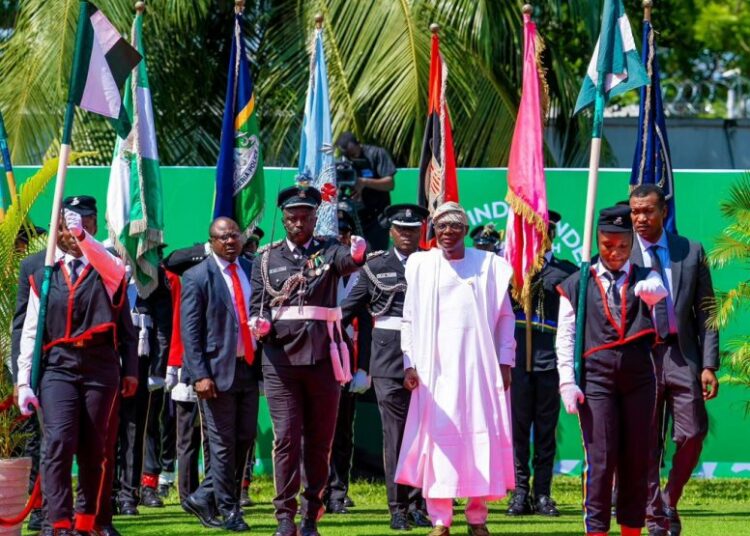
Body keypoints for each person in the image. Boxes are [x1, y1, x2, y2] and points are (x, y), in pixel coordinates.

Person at [249, 183, 366, 536]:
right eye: (292, 217)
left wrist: (358, 251)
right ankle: (284, 517)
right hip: (280, 358)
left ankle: (310, 515)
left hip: (322, 357)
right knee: (285, 438)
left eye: (305, 216)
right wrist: (258, 324)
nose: (298, 223)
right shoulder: (266, 258)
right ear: (283, 219)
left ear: (316, 218)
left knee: (319, 440)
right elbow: (257, 303)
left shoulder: (330, 251)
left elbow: (348, 263)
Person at [16, 197, 138, 535]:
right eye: (68, 225)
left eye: (84, 222)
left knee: (94, 446)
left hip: (100, 366)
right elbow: (29, 330)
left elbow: (110, 270)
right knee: (58, 441)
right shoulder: (43, 272)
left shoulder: (110, 265)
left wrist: (82, 237)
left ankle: (87, 521)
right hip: (58, 366)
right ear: (56, 229)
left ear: (94, 225)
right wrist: (24, 382)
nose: (73, 230)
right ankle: (58, 522)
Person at [395, 201, 516, 536]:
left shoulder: (489, 265)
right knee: (439, 439)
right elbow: (408, 319)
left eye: (455, 227)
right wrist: (410, 364)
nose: (447, 233)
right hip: (435, 369)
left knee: (480, 438)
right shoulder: (421, 265)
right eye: (441, 227)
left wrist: (506, 360)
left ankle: (477, 518)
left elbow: (506, 319)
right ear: (433, 230)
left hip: (479, 366)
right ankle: (440, 519)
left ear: (465, 230)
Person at [556, 205, 668, 536]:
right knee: (602, 461)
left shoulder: (648, 276)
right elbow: (566, 336)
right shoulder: (577, 283)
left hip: (639, 378)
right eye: (608, 245)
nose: (616, 253)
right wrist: (566, 381)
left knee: (636, 460)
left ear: (632, 243)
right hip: (597, 378)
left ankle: (632, 530)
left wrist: (656, 297)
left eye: (623, 246)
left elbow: (663, 312)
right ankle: (596, 531)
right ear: (597, 240)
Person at [629, 184, 720, 536]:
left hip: (683, 357)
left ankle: (669, 499)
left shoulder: (690, 251)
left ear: (663, 211)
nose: (640, 218)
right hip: (641, 358)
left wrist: (709, 364)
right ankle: (655, 516)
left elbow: (707, 313)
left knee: (694, 432)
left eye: (647, 210)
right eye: (635, 211)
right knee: (646, 440)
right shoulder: (624, 252)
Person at [341, 203, 432, 531]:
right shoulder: (376, 266)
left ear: (422, 230)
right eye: (401, 229)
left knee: (426, 436)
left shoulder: (433, 263)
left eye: (413, 229)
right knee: (395, 436)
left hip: (429, 358)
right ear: (392, 232)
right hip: (389, 358)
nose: (407, 235)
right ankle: (398, 508)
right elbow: (346, 311)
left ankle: (421, 504)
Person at [180, 217, 260, 532]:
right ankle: (229, 510)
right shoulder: (197, 277)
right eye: (223, 237)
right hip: (215, 373)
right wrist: (199, 374)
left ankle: (203, 496)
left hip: (249, 368)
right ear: (211, 241)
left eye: (234, 236)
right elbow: (190, 332)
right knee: (222, 444)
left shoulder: (252, 269)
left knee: (244, 440)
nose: (230, 242)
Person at [507, 210, 576, 517]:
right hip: (517, 361)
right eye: (534, 232)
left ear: (553, 236)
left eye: (546, 232)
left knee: (546, 432)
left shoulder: (567, 272)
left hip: (550, 362)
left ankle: (543, 494)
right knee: (518, 431)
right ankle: (520, 493)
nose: (540, 238)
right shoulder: (510, 270)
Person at [323, 205, 371, 515]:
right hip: (317, 358)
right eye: (336, 232)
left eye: (345, 231)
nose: (341, 236)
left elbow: (367, 323)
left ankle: (339, 491)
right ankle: (316, 489)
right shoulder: (318, 266)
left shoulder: (363, 271)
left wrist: (364, 367)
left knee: (342, 432)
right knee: (314, 432)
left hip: (348, 360)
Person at [116, 262, 172, 515]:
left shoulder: (153, 272)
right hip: (106, 357)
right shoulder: (104, 263)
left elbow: (163, 324)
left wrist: (158, 369)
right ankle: (107, 492)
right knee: (106, 430)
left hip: (140, 360)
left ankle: (129, 493)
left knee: (135, 428)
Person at [335, 131, 397, 250]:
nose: (353, 157)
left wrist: (364, 182)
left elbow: (390, 184)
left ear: (358, 144)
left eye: (354, 153)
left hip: (378, 218)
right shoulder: (343, 162)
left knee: (375, 257)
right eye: (349, 155)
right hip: (354, 216)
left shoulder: (377, 154)